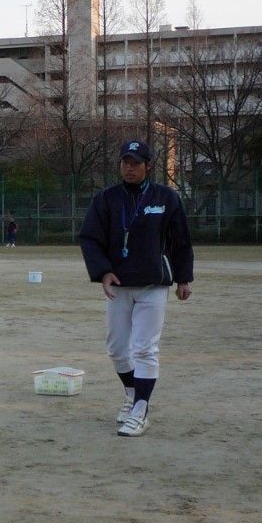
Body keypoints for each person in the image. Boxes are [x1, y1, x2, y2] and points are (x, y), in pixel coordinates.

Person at [79, 139, 194, 437]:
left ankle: (141, 409)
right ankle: (132, 394)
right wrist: (102, 272)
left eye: (135, 163)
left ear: (148, 166)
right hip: (118, 284)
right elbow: (89, 238)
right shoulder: (106, 198)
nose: (129, 168)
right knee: (117, 349)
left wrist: (184, 278)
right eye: (125, 163)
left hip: (153, 284)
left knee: (144, 348)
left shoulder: (166, 197)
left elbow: (181, 240)